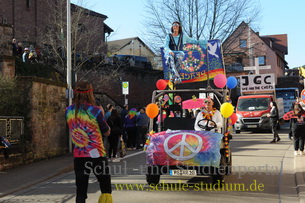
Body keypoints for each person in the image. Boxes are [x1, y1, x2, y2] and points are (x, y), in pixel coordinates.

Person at [65, 81, 113, 203]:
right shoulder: (96, 111)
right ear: (90, 93)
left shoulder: (68, 111)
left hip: (79, 155)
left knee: (81, 190)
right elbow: (106, 131)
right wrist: (102, 114)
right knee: (105, 186)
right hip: (97, 154)